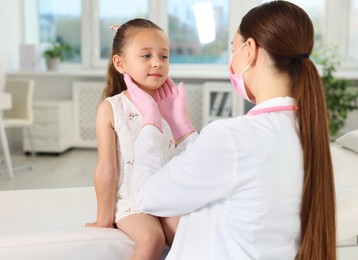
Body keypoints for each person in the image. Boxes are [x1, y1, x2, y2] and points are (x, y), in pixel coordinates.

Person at [126, 1, 336, 259]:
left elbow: (148, 195)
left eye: (233, 49)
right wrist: (182, 128)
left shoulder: (233, 136)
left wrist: (150, 122)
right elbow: (221, 174)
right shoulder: (306, 131)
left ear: (250, 50)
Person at [85, 18, 179, 259]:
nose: (157, 63)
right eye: (146, 56)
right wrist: (104, 219)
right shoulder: (111, 108)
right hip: (133, 201)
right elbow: (106, 167)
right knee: (151, 238)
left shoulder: (171, 105)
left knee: (188, 233)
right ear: (120, 63)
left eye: (164, 56)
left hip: (166, 195)